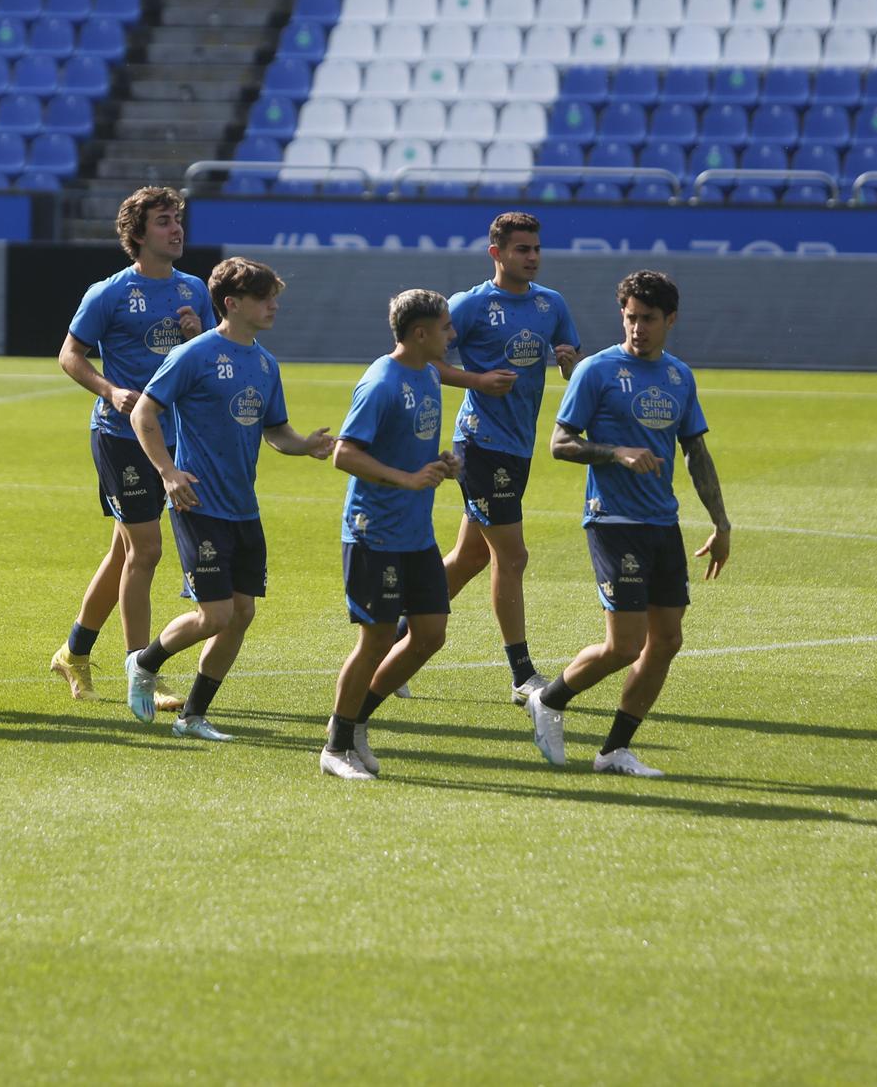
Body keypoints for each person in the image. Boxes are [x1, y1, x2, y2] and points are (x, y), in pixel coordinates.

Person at [525, 270, 731, 778]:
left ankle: (614, 750)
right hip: (614, 520)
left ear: (671, 320)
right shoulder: (597, 371)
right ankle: (549, 700)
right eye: (631, 318)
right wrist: (617, 452)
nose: (638, 328)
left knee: (667, 641)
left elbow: (696, 450)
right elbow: (560, 443)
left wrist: (721, 523)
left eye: (649, 319)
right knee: (624, 645)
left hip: (662, 522)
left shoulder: (680, 377)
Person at [125, 257, 332, 740]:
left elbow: (275, 431)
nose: (273, 306)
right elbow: (144, 414)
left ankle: (192, 716)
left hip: (244, 507)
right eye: (263, 298)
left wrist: (306, 446)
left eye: (274, 296)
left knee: (241, 614)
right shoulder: (193, 355)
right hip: (200, 503)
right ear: (232, 304)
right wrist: (168, 473)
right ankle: (144, 662)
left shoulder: (265, 363)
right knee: (214, 615)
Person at [394, 212, 581, 705]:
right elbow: (422, 359)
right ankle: (522, 674)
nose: (533, 257)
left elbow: (572, 364)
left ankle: (393, 644)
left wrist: (569, 362)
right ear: (496, 253)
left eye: (537, 249)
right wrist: (475, 381)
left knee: (472, 556)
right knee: (512, 555)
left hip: (517, 446)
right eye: (522, 249)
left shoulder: (551, 304)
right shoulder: (471, 305)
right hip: (480, 443)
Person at [50, 187, 215, 708]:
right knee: (145, 549)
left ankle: (74, 652)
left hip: (174, 438)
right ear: (138, 234)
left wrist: (196, 333)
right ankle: (142, 668)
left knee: (125, 550)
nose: (176, 229)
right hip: (121, 437)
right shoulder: (110, 293)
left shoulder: (193, 288)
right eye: (164, 221)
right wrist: (110, 389)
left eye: (178, 220)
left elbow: (210, 356)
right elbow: (69, 354)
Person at [319, 290, 462, 781]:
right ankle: (335, 747)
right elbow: (345, 454)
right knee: (376, 638)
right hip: (373, 532)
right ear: (420, 333)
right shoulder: (381, 382)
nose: (452, 335)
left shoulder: (427, 374)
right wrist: (405, 479)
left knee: (430, 636)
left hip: (416, 533)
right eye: (445, 327)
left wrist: (441, 462)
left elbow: (408, 446)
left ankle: (358, 719)